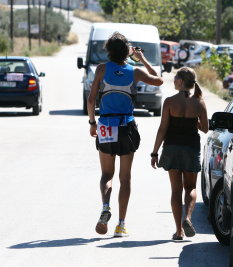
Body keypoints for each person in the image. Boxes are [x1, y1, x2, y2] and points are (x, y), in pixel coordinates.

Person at [88, 32, 163, 237]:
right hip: (126, 126)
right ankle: (121, 224)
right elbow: (159, 81)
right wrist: (142, 59)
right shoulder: (135, 71)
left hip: (105, 125)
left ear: (109, 51)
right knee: (125, 178)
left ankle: (105, 207)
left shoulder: (101, 69)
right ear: (127, 52)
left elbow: (91, 100)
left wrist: (92, 122)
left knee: (106, 175)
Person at [150, 67, 208, 240]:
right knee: (190, 188)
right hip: (191, 148)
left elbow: (163, 129)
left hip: (172, 148)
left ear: (181, 81)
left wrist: (154, 152)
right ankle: (188, 218)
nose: (173, 79)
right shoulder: (199, 102)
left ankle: (178, 231)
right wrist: (194, 121)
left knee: (176, 190)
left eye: (175, 77)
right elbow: (205, 129)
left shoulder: (169, 102)